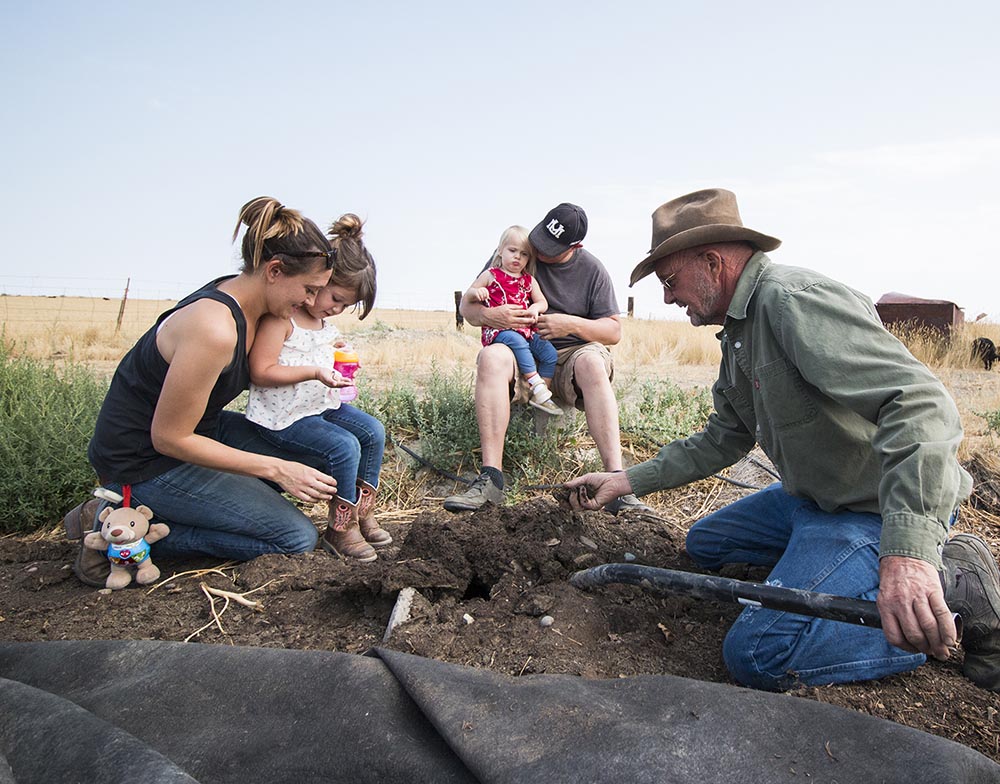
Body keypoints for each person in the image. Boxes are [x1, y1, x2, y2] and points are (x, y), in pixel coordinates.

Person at [565, 187, 1000, 693]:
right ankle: (831, 567)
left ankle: (953, 592)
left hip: (872, 507)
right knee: (706, 544)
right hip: (814, 500)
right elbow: (722, 439)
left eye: (669, 281)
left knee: (757, 654)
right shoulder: (739, 331)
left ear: (711, 262)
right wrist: (623, 480)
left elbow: (921, 405)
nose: (666, 297)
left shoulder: (791, 302)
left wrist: (909, 553)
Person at [65, 197, 343, 587]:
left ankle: (136, 515)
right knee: (295, 538)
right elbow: (169, 438)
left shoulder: (252, 303)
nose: (311, 303)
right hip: (143, 459)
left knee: (315, 451)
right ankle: (120, 530)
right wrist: (276, 468)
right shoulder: (214, 328)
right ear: (275, 270)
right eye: (309, 289)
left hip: (199, 430)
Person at [444, 203, 649, 514]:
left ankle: (617, 484)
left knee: (593, 362)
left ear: (575, 246)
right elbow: (468, 311)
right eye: (540, 239)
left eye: (550, 248)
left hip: (572, 356)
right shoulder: (517, 249)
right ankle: (491, 480)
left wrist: (570, 324)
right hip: (520, 349)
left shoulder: (593, 270)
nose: (537, 251)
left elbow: (613, 331)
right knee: (490, 357)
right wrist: (491, 315)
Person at [246, 214, 388, 563]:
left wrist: (341, 361)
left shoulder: (322, 323)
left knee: (373, 431)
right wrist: (314, 371)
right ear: (320, 279)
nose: (337, 309)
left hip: (318, 407)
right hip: (283, 415)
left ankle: (361, 510)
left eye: (345, 305)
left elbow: (323, 356)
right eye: (335, 298)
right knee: (343, 446)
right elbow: (261, 371)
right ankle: (340, 528)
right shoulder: (283, 319)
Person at [462, 225, 561, 416]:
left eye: (524, 254)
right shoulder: (491, 275)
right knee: (518, 343)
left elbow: (542, 302)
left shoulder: (528, 280)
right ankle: (538, 386)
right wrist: (478, 292)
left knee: (549, 353)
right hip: (500, 331)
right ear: (500, 250)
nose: (517, 257)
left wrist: (534, 308)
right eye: (512, 250)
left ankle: (540, 394)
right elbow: (469, 295)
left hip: (526, 331)